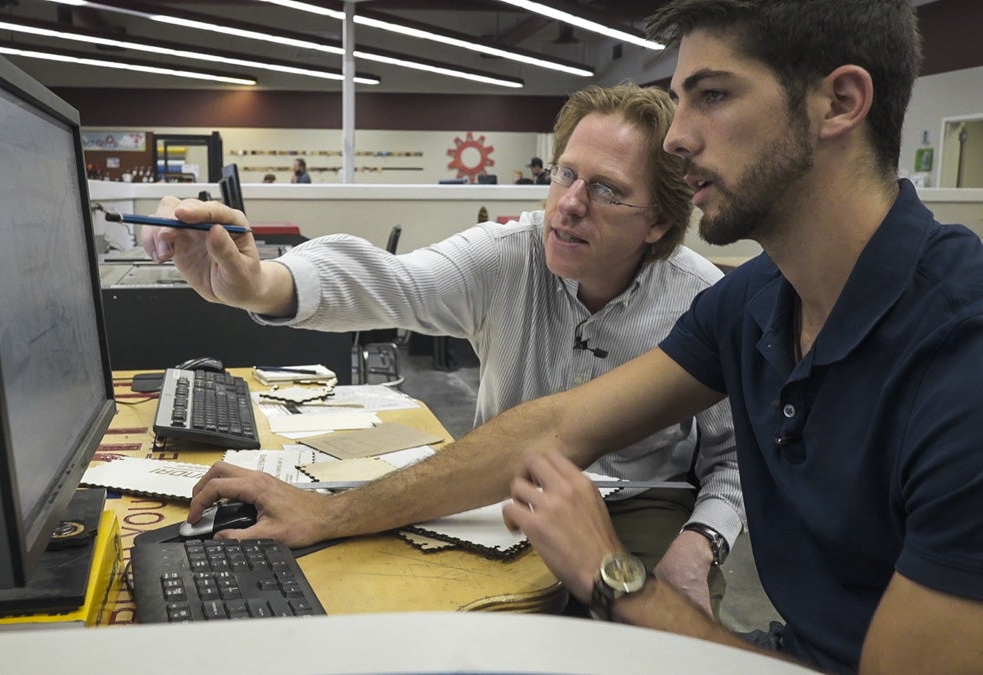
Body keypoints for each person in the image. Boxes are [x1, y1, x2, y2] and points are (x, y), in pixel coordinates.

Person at [490, 2, 983, 673]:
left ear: (839, 102)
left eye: (713, 95)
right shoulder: (756, 299)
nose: (675, 139)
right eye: (678, 101)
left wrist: (614, 576)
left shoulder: (963, 354)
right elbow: (559, 425)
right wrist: (326, 515)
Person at [140, 84, 745, 616]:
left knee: (662, 650)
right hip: (505, 492)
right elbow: (393, 281)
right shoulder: (509, 257)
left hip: (641, 504)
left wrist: (701, 546)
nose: (568, 204)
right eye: (565, 173)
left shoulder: (701, 300)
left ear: (659, 223)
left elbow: (735, 456)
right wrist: (263, 283)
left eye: (607, 191)